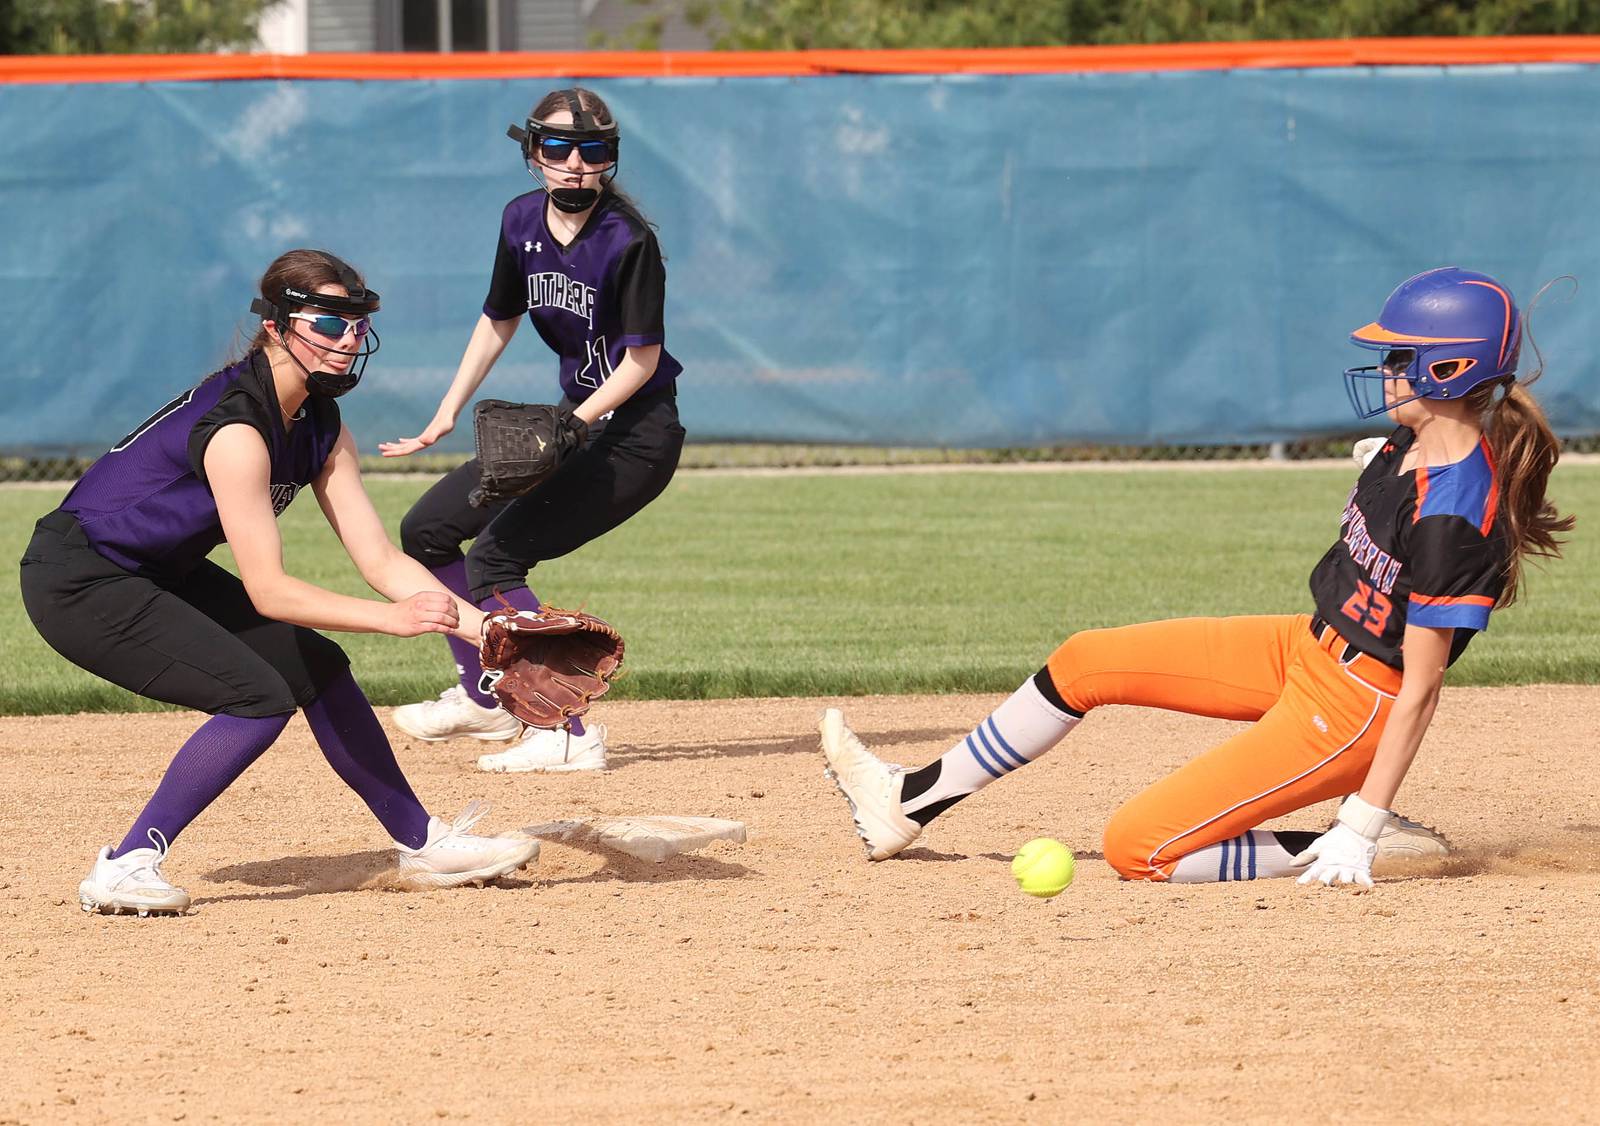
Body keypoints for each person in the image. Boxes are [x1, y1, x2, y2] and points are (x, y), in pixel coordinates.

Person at [820, 267, 1572, 887]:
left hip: (1355, 709)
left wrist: (1363, 822)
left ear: (1450, 368)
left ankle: (1358, 842)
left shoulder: (1454, 516)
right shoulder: (1405, 449)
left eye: (1398, 357)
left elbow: (1421, 688)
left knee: (1138, 848)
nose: (1383, 370)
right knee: (1087, 659)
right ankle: (907, 802)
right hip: (1304, 649)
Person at [20, 249, 539, 917]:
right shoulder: (239, 430)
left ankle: (424, 843)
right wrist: (394, 620)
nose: (348, 339)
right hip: (81, 577)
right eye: (328, 322)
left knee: (317, 666)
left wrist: (496, 631)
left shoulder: (321, 424)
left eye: (356, 322)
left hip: (153, 568)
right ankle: (126, 864)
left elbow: (381, 560)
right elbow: (269, 591)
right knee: (256, 697)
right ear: (277, 325)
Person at [380, 86, 684, 775]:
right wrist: (448, 411)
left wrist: (575, 423)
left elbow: (643, 359)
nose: (576, 163)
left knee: (494, 558)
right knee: (427, 529)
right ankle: (487, 695)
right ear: (532, 154)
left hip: (636, 436)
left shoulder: (628, 240)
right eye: (557, 147)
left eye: (594, 150)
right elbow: (499, 318)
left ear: (610, 159)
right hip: (574, 426)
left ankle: (568, 729)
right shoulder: (520, 221)